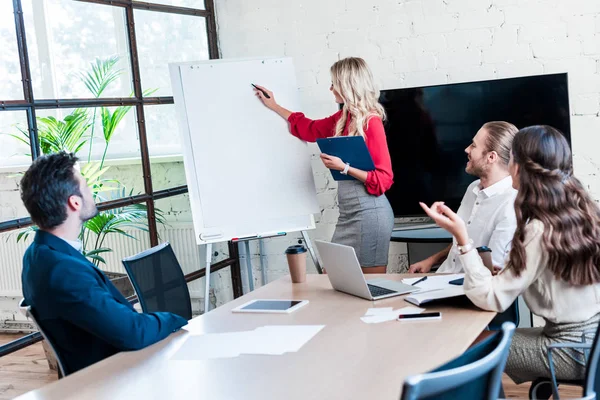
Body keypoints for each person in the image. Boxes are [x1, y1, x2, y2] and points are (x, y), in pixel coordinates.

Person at [421, 125, 600, 384]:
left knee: (465, 341)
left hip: (569, 351)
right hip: (592, 344)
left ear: (521, 167)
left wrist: (463, 240)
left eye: (512, 158)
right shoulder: (583, 211)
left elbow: (491, 298)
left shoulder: (539, 229)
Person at [20, 152, 187, 376]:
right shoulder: (62, 270)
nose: (91, 192)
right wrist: (176, 319)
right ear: (75, 202)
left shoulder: (37, 254)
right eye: (86, 187)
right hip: (114, 377)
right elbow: (133, 333)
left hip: (109, 366)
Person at [254, 57, 394, 274]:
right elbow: (308, 128)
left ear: (347, 85)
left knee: (371, 287)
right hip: (348, 214)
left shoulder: (371, 122)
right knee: (334, 278)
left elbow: (384, 179)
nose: (330, 88)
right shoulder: (343, 118)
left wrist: (344, 167)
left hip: (370, 214)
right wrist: (273, 105)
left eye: (334, 83)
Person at [409, 121, 519, 274]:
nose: (467, 149)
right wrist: (433, 260)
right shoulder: (473, 188)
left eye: (473, 145)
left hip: (467, 289)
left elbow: (492, 273)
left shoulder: (512, 204)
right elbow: (464, 241)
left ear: (491, 157)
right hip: (442, 277)